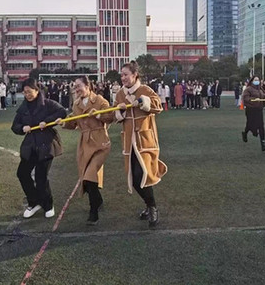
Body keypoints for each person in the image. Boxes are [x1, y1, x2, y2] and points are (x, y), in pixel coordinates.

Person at [115, 61, 167, 228]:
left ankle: (152, 208)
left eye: (125, 74)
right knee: (134, 179)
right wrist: (120, 111)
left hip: (145, 141)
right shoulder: (120, 94)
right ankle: (148, 204)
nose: (122, 78)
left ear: (134, 75)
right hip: (128, 143)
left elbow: (158, 106)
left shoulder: (145, 90)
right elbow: (116, 116)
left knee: (142, 175)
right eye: (121, 75)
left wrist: (143, 101)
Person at [11, 78, 67, 219]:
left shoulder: (47, 104)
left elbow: (62, 112)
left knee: (41, 178)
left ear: (37, 91)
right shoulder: (23, 108)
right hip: (30, 146)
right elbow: (15, 126)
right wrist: (22, 128)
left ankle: (48, 205)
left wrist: (47, 122)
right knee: (22, 173)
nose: (27, 95)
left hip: (46, 145)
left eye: (29, 92)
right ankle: (34, 202)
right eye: (24, 92)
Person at [63, 76, 114, 225]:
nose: (77, 89)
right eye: (75, 87)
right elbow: (74, 123)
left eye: (79, 86)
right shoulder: (76, 104)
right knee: (87, 177)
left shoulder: (100, 100)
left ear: (88, 86)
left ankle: (94, 212)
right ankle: (97, 200)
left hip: (100, 143)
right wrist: (64, 122)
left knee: (89, 176)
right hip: (84, 145)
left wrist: (98, 114)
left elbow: (110, 117)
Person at [241, 76, 265, 151]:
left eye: (258, 80)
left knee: (261, 126)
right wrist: (254, 100)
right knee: (250, 125)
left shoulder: (260, 89)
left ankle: (263, 143)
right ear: (252, 81)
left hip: (259, 110)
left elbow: (263, 97)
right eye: (255, 80)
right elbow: (245, 98)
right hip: (250, 110)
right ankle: (245, 133)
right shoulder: (248, 89)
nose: (257, 81)